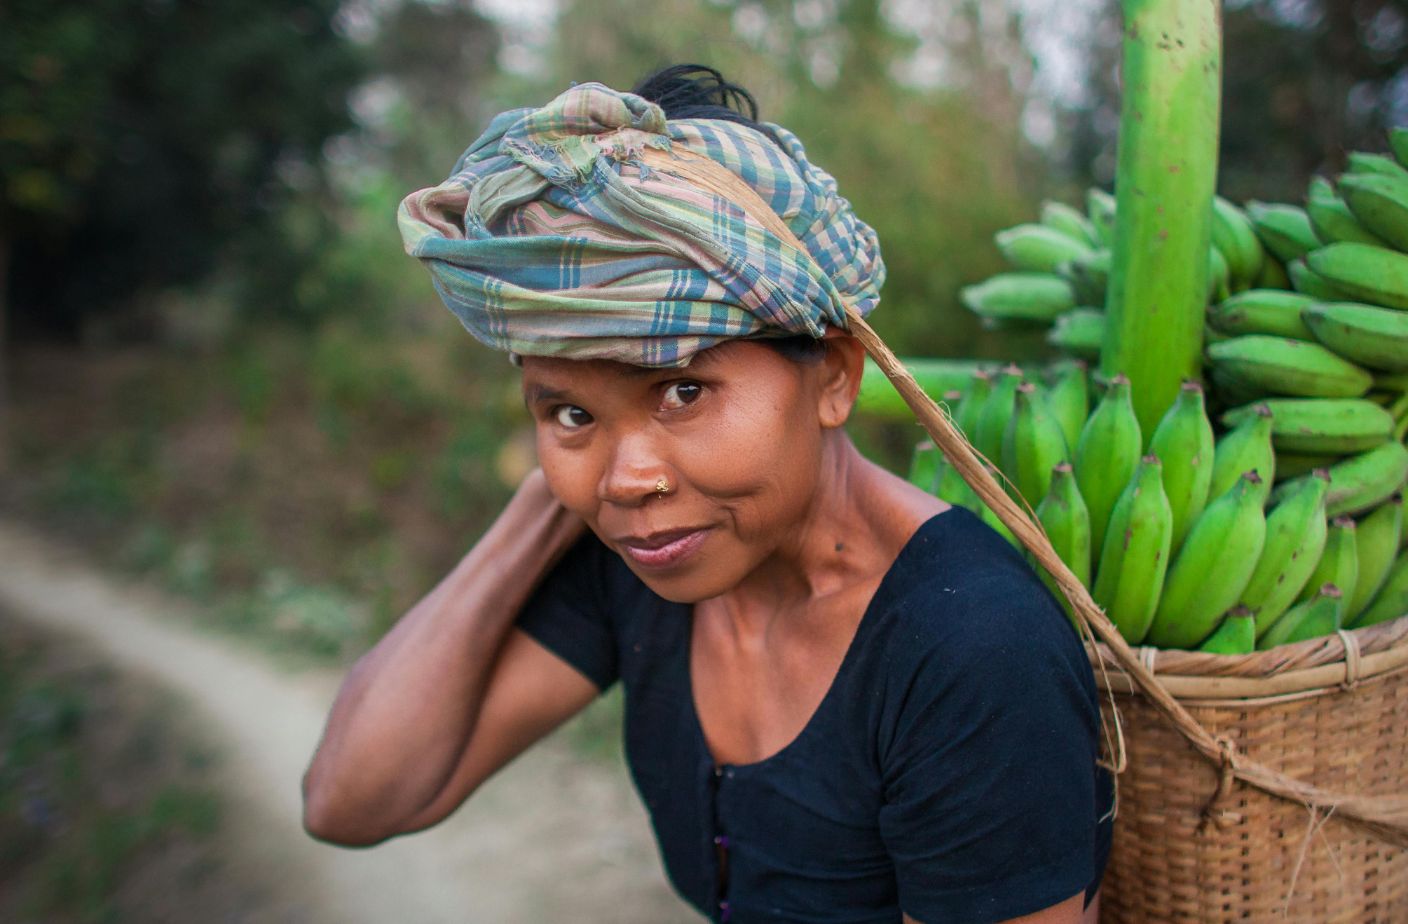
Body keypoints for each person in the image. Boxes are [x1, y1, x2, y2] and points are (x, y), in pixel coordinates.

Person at [301, 63, 1113, 924]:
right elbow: (353, 800)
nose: (630, 478)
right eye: (568, 410)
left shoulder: (968, 652)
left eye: (682, 392)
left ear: (834, 375)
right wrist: (552, 502)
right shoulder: (647, 555)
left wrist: (585, 446)